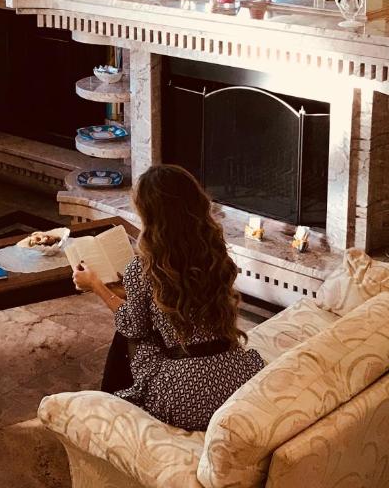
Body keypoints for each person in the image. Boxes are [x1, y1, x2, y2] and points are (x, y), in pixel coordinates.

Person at [72, 164, 264, 431]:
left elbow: (133, 326)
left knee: (129, 330)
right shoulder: (216, 255)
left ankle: (110, 405)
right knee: (142, 320)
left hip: (184, 394)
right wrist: (128, 290)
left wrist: (96, 286)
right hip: (235, 379)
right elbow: (185, 301)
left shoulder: (143, 268)